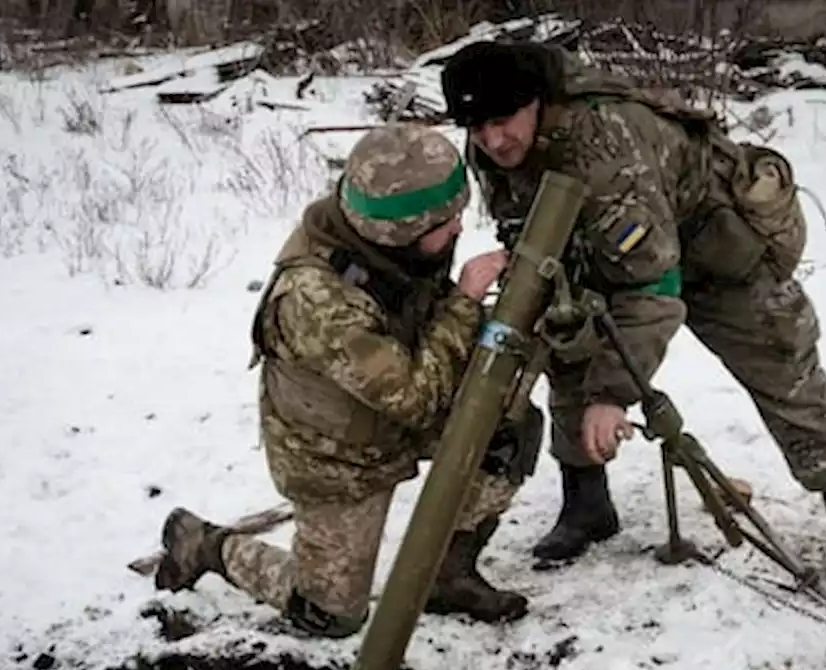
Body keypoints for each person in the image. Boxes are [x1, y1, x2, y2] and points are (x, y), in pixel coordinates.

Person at [439, 40, 826, 611]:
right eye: (476, 127)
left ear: (535, 101)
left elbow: (652, 287)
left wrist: (613, 395)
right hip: (605, 248)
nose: (491, 141)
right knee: (566, 343)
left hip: (716, 253)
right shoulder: (497, 145)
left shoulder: (605, 144)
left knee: (786, 371)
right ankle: (586, 505)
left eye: (501, 121)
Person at [151, 123, 540, 638]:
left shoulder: (385, 241)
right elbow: (416, 398)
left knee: (507, 424)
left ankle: (447, 575)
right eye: (446, 222)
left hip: (395, 399)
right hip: (338, 455)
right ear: (400, 232)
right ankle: (202, 543)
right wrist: (465, 302)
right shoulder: (317, 301)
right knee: (331, 614)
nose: (458, 230)